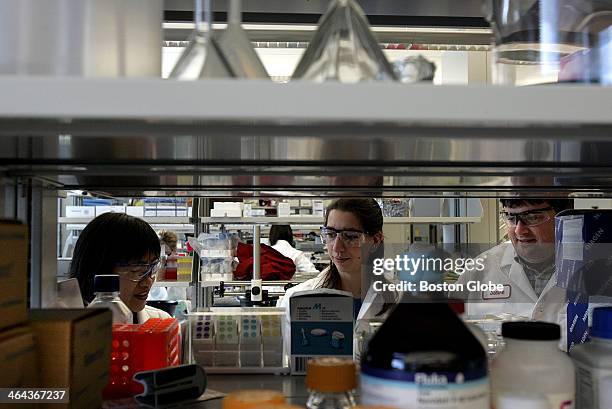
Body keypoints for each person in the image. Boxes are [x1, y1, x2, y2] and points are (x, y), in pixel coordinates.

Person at [277, 198, 395, 360]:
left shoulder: (401, 299)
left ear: (375, 241)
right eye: (331, 234)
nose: (337, 247)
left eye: (351, 236)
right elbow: (291, 367)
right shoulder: (297, 298)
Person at [455, 197, 573, 346]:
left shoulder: (594, 269)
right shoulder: (480, 269)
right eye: (511, 218)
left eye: (533, 217)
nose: (519, 230)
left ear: (563, 219)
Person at [69, 212, 171, 323]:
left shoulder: (161, 321)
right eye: (136, 271)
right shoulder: (69, 330)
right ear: (100, 272)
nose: (147, 282)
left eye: (153, 267)